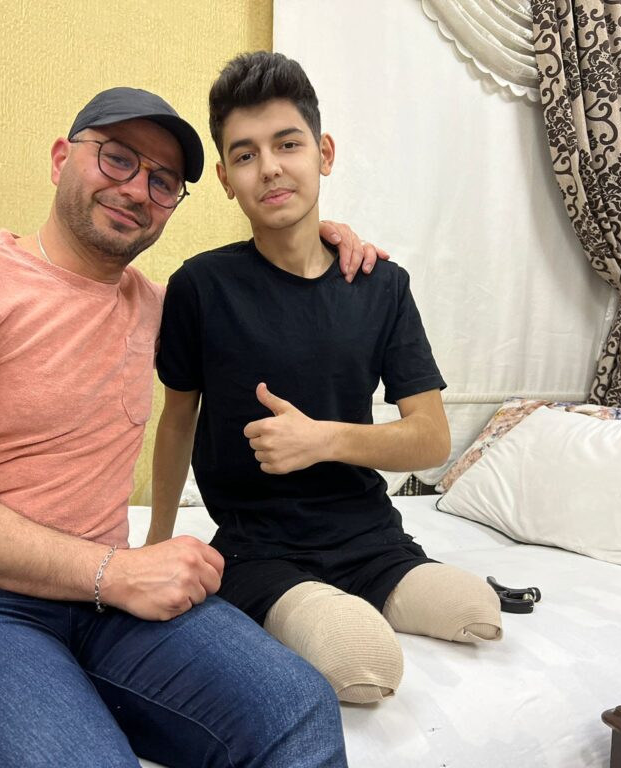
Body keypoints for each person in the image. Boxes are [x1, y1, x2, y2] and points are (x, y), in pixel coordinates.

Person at [0, 86, 382, 767]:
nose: (137, 190)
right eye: (117, 158)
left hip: (104, 604)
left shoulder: (164, 309)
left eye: (162, 181)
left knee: (296, 709)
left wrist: (319, 245)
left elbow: (270, 300)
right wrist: (111, 571)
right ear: (60, 157)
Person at [149, 52, 503, 705]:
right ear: (225, 178)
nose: (270, 167)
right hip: (258, 548)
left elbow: (431, 439)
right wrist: (156, 541)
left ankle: (367, 592)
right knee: (363, 659)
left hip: (370, 537)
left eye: (288, 144)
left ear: (325, 153)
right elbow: (177, 421)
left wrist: (322, 440)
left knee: (477, 610)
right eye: (246, 154)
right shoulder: (200, 287)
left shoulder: (380, 285)